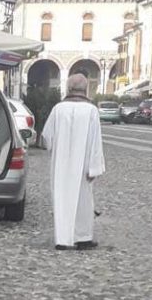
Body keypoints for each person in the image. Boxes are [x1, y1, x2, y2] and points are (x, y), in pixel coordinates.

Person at [43, 74, 105, 250]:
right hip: (84, 164)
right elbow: (95, 141)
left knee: (62, 197)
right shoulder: (91, 110)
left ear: (69, 89)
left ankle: (62, 238)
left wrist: (56, 150)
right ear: (85, 89)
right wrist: (94, 167)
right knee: (83, 201)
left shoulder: (58, 109)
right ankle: (83, 237)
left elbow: (47, 137)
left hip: (61, 164)